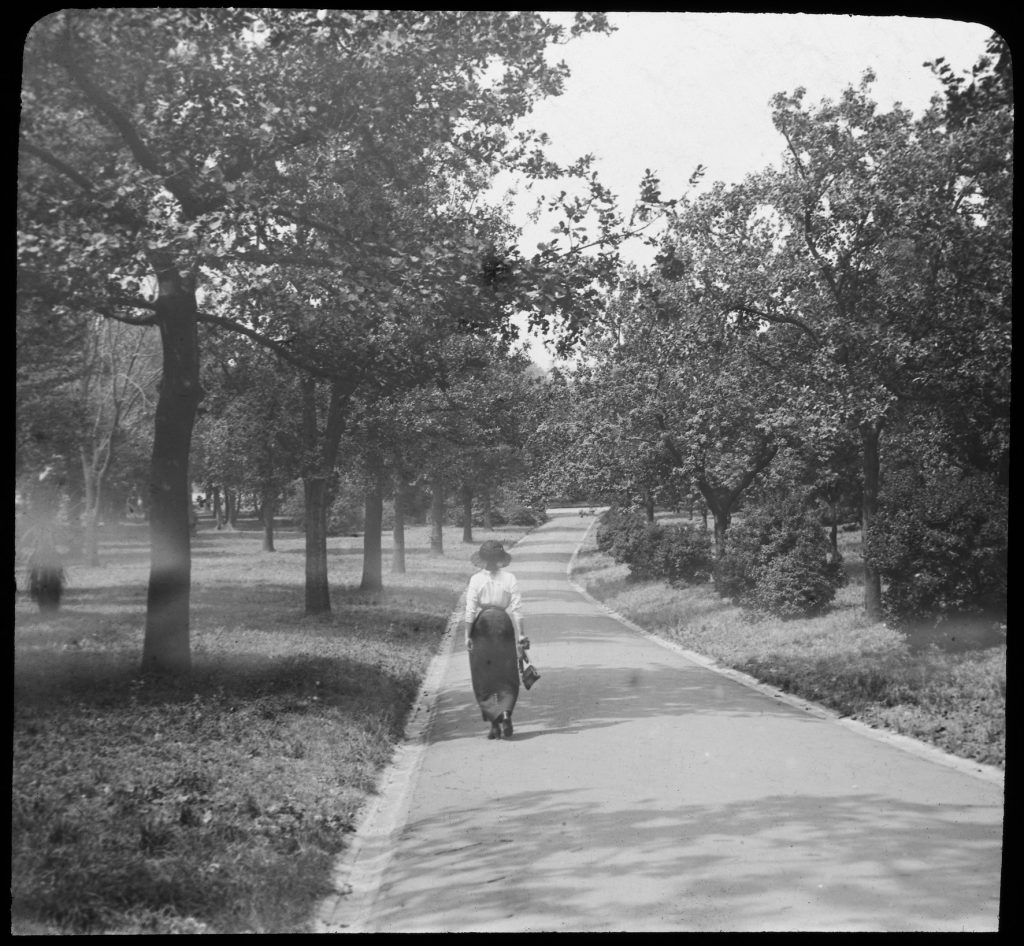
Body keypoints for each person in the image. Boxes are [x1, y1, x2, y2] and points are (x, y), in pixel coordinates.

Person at [462, 540, 527, 739]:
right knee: (507, 673)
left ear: (481, 559)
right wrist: (521, 634)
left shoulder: (476, 580)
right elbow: (516, 609)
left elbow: (470, 610)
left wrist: (467, 635)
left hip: (482, 628)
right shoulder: (510, 578)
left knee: (484, 676)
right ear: (501, 559)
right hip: (503, 626)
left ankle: (493, 724)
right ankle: (506, 713)